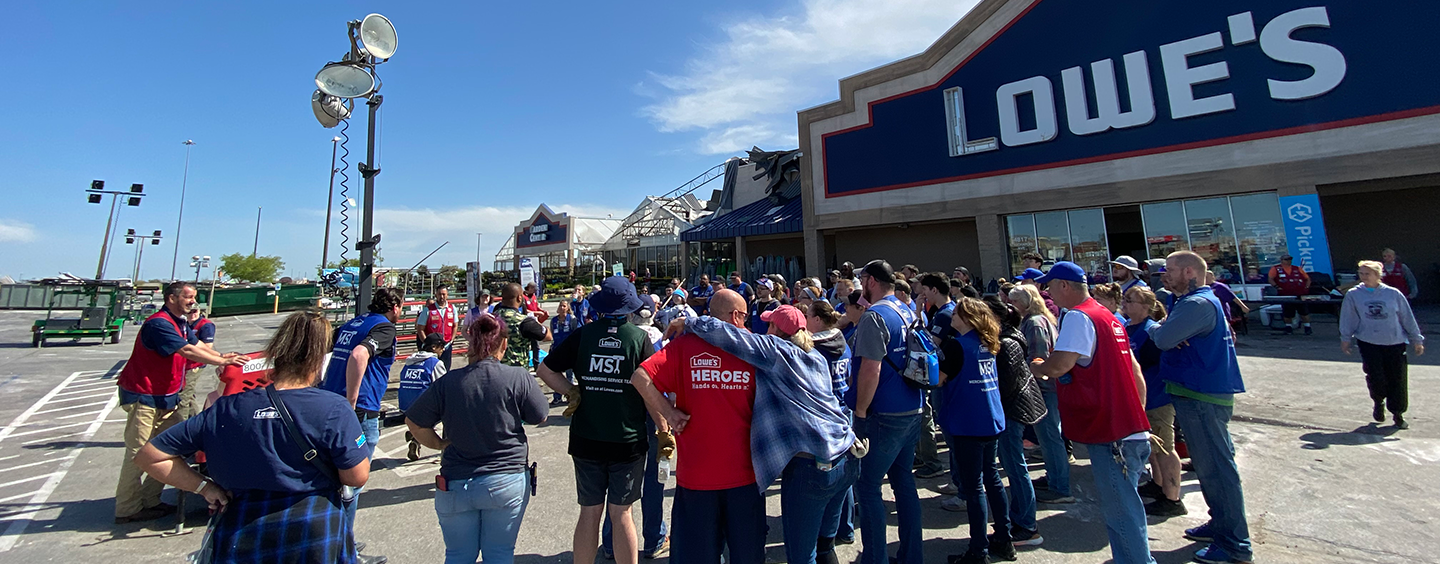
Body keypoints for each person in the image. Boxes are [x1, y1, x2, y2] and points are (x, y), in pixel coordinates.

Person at [135, 311, 371, 563]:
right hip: (312, 526)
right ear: (318, 361)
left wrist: (205, 487)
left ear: (276, 356)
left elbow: (150, 456)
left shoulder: (226, 408)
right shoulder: (333, 408)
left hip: (240, 527)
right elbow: (356, 476)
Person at [669, 303, 858, 564]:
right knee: (825, 545)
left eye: (770, 324)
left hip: (813, 466)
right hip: (845, 456)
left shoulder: (776, 350)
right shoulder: (815, 356)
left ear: (777, 330)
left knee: (803, 556)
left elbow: (729, 335)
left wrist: (689, 322)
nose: (764, 328)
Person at [1030, 262, 1156, 564]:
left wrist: (1038, 366)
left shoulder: (1078, 316)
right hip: (1129, 428)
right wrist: (1137, 415)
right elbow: (1135, 371)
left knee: (1120, 510)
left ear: (1064, 286)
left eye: (1049, 286)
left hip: (1111, 432)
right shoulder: (1108, 316)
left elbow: (1060, 365)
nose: (1047, 293)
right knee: (1126, 506)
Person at [628, 290, 765, 564]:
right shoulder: (753, 349)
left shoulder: (684, 347)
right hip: (745, 476)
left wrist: (669, 413)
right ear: (737, 316)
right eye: (745, 315)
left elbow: (640, 377)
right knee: (747, 555)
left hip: (698, 477)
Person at [534, 276, 663, 564]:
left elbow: (544, 369)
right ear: (630, 306)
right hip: (627, 438)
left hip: (586, 436)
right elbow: (650, 390)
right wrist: (664, 427)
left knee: (589, 512)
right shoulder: (639, 338)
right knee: (622, 514)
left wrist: (571, 391)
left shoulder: (584, 334)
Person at [405, 313, 548, 564]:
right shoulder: (518, 377)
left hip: (456, 482)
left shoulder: (449, 382)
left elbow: (414, 422)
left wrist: (438, 443)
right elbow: (540, 415)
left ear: (469, 345)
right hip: (506, 479)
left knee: (458, 555)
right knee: (499, 553)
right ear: (503, 344)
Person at [1148, 251, 1252, 564]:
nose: (1164, 276)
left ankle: (1235, 543)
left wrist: (1154, 327)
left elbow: (1164, 338)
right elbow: (1172, 334)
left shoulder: (1197, 304)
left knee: (1218, 470)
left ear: (1190, 272)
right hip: (1193, 392)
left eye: (1169, 270)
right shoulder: (1190, 302)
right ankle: (1220, 523)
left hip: (1203, 396)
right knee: (1208, 469)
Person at [115, 282, 249, 525]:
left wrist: (222, 358)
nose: (192, 302)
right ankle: (127, 507)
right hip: (144, 396)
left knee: (170, 449)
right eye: (188, 297)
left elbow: (196, 344)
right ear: (171, 298)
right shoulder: (159, 323)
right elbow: (187, 350)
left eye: (194, 297)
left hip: (167, 396)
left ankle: (150, 499)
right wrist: (218, 361)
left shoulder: (180, 323)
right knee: (139, 453)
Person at [319, 287, 404, 562]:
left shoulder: (351, 323)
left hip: (327, 401)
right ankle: (344, 551)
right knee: (351, 485)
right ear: (395, 308)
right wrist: (351, 401)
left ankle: (340, 539)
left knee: (330, 478)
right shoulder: (384, 328)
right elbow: (359, 355)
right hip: (359, 409)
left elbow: (324, 351)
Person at [850, 260, 926, 564]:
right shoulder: (906, 309)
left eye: (861, 280)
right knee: (904, 483)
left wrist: (860, 411)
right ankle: (912, 555)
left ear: (870, 281)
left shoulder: (874, 316)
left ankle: (875, 558)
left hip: (884, 412)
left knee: (867, 487)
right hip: (913, 405)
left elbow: (871, 369)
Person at [936, 298, 1014, 564]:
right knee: (991, 478)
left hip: (967, 420)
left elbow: (938, 379)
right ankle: (1004, 537)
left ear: (968, 318)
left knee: (974, 488)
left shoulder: (957, 346)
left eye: (956, 314)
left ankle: (978, 550)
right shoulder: (987, 342)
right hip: (989, 418)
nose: (952, 317)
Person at [980, 296, 1048, 547]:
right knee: (1013, 466)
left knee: (1015, 467)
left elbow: (1006, 385)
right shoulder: (1008, 337)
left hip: (1012, 412)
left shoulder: (1007, 342)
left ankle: (1027, 525)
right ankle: (1019, 518)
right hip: (1012, 409)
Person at [1121, 287, 1187, 517]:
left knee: (1165, 448)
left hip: (1157, 398)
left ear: (1147, 307)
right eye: (1125, 299)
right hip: (1139, 400)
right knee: (1152, 448)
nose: (1125, 304)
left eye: (1131, 300)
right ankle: (1158, 484)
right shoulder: (1129, 328)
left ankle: (1172, 499)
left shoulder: (1151, 331)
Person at [1007, 284, 1073, 504]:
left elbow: (1038, 357)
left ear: (1027, 301)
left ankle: (1060, 487)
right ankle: (1055, 477)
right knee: (1048, 436)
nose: (1011, 305)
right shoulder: (1037, 319)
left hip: (1043, 387)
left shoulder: (1035, 323)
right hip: (1044, 386)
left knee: (1050, 435)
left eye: (1015, 301)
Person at [1340, 260, 1425, 429]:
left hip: (1394, 342)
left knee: (1397, 378)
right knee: (1375, 376)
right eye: (1361, 274)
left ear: (1378, 275)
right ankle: (1378, 401)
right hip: (1369, 342)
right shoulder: (1354, 294)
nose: (1363, 277)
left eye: (1367, 274)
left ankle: (1398, 413)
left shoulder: (1393, 294)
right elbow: (1348, 317)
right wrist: (1346, 338)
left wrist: (1417, 339)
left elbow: (1407, 317)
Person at [912, 274, 952, 483]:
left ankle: (951, 477)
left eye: (925, 289)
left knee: (945, 424)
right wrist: (919, 312)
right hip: (941, 376)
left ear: (934, 290)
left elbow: (930, 344)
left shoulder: (945, 315)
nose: (922, 294)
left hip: (943, 377)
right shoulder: (939, 312)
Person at [400, 333, 449, 461]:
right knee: (445, 411)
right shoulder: (434, 363)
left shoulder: (409, 362)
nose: (443, 349)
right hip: (422, 407)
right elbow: (442, 386)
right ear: (433, 347)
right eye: (441, 346)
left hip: (405, 406)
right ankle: (444, 450)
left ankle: (415, 436)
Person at [493, 283, 552, 369]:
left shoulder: (490, 318)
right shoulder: (523, 321)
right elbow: (548, 336)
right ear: (519, 298)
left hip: (495, 369)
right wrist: (536, 321)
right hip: (517, 371)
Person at [178, 308, 217, 420]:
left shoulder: (205, 325)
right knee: (188, 396)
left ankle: (182, 424)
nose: (192, 314)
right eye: (189, 312)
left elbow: (207, 347)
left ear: (199, 311)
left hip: (195, 364)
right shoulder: (185, 324)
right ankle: (196, 420)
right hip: (185, 364)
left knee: (183, 396)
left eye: (194, 311)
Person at [418, 285, 460, 370]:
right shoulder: (428, 310)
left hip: (446, 346)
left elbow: (455, 326)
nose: (442, 297)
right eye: (439, 294)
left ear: (447, 295)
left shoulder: (452, 309)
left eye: (444, 294)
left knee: (445, 370)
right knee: (431, 370)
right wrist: (427, 343)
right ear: (436, 295)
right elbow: (420, 328)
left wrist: (452, 340)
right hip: (432, 348)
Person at [1268, 254, 1312, 335]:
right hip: (1285, 294)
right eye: (1286, 259)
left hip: (1300, 294)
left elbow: (1307, 278)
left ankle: (1307, 327)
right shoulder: (1276, 268)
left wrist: (1306, 287)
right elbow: (1270, 279)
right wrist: (1276, 287)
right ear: (1281, 260)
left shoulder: (1297, 268)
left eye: (1290, 259)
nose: (1288, 261)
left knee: (1304, 312)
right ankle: (1288, 327)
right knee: (1288, 313)